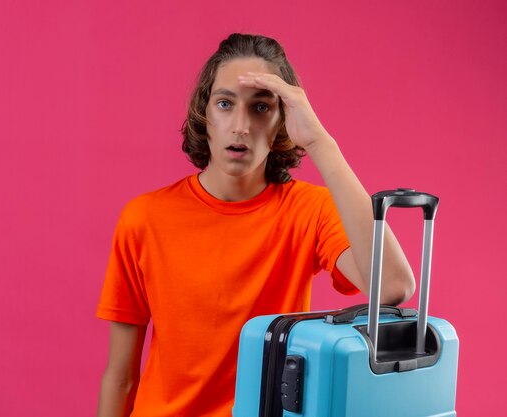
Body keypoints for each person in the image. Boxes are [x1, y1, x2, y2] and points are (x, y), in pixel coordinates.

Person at [96, 33, 415, 417]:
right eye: (225, 104)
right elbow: (120, 377)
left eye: (261, 108)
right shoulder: (143, 218)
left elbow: (394, 286)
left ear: (283, 121)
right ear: (205, 114)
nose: (241, 126)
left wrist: (319, 141)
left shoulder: (309, 210)